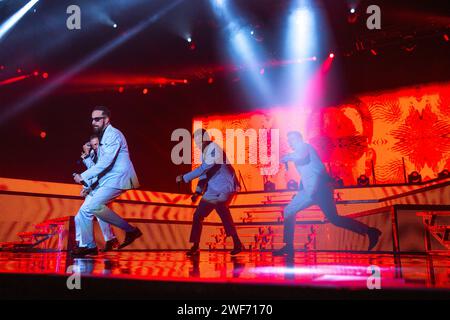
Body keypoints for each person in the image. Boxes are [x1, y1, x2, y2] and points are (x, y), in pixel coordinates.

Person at [274, 131, 382, 256]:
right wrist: (301, 189)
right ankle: (370, 231)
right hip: (312, 190)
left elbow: (301, 156)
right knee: (294, 212)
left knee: (329, 218)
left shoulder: (304, 146)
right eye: (289, 140)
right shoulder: (299, 153)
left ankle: (370, 231)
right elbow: (308, 172)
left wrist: (287, 157)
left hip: (319, 189)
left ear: (299, 139)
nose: (290, 142)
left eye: (292, 139)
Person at [72, 106, 142, 257]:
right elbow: (101, 166)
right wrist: (91, 185)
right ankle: (130, 231)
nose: (94, 122)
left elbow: (105, 163)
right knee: (94, 209)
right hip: (110, 179)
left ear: (106, 119)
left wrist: (83, 177)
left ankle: (89, 245)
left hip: (119, 178)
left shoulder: (113, 135)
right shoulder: (104, 136)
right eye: (92, 119)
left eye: (97, 119)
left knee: (89, 209)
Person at [176, 129, 243, 256]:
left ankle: (237, 243)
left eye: (199, 140)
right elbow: (203, 175)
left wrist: (184, 177)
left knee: (221, 207)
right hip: (213, 189)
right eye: (196, 141)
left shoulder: (214, 148)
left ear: (206, 137)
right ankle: (195, 246)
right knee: (198, 215)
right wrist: (197, 192)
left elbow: (204, 168)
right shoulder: (204, 153)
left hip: (225, 185)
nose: (197, 143)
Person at [75, 134, 119, 252]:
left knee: (93, 214)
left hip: (103, 189)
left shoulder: (104, 154)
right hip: (95, 189)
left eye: (96, 144)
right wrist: (86, 187)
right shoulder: (93, 154)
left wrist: (87, 158)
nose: (95, 147)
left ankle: (89, 244)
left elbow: (98, 171)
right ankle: (84, 243)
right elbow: (92, 173)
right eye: (92, 145)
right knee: (81, 216)